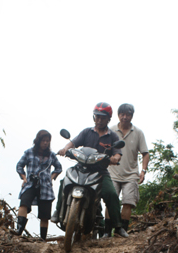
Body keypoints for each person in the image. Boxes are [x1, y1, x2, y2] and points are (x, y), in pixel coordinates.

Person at [52, 102, 129, 239]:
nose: (99, 120)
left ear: (108, 119)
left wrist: (115, 158)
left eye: (102, 117)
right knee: (64, 181)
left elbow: (118, 153)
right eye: (97, 117)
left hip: (100, 172)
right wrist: (65, 149)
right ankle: (58, 211)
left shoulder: (112, 136)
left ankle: (118, 226)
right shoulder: (87, 132)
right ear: (94, 117)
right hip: (81, 168)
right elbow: (73, 143)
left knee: (111, 194)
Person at [106, 103, 149, 234]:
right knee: (110, 201)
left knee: (128, 202)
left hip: (131, 174)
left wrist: (143, 171)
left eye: (128, 114)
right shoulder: (110, 131)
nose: (125, 117)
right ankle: (107, 231)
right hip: (112, 173)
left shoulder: (138, 133)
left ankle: (122, 231)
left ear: (131, 116)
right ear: (118, 115)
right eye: (122, 114)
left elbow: (145, 153)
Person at [16, 130, 62, 240]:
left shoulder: (51, 155)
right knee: (24, 203)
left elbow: (59, 167)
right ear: (38, 141)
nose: (45, 143)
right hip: (30, 183)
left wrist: (51, 177)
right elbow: (19, 166)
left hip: (45, 186)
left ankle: (43, 238)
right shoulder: (29, 152)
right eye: (43, 140)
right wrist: (24, 178)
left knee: (45, 214)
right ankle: (19, 231)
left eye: (47, 141)